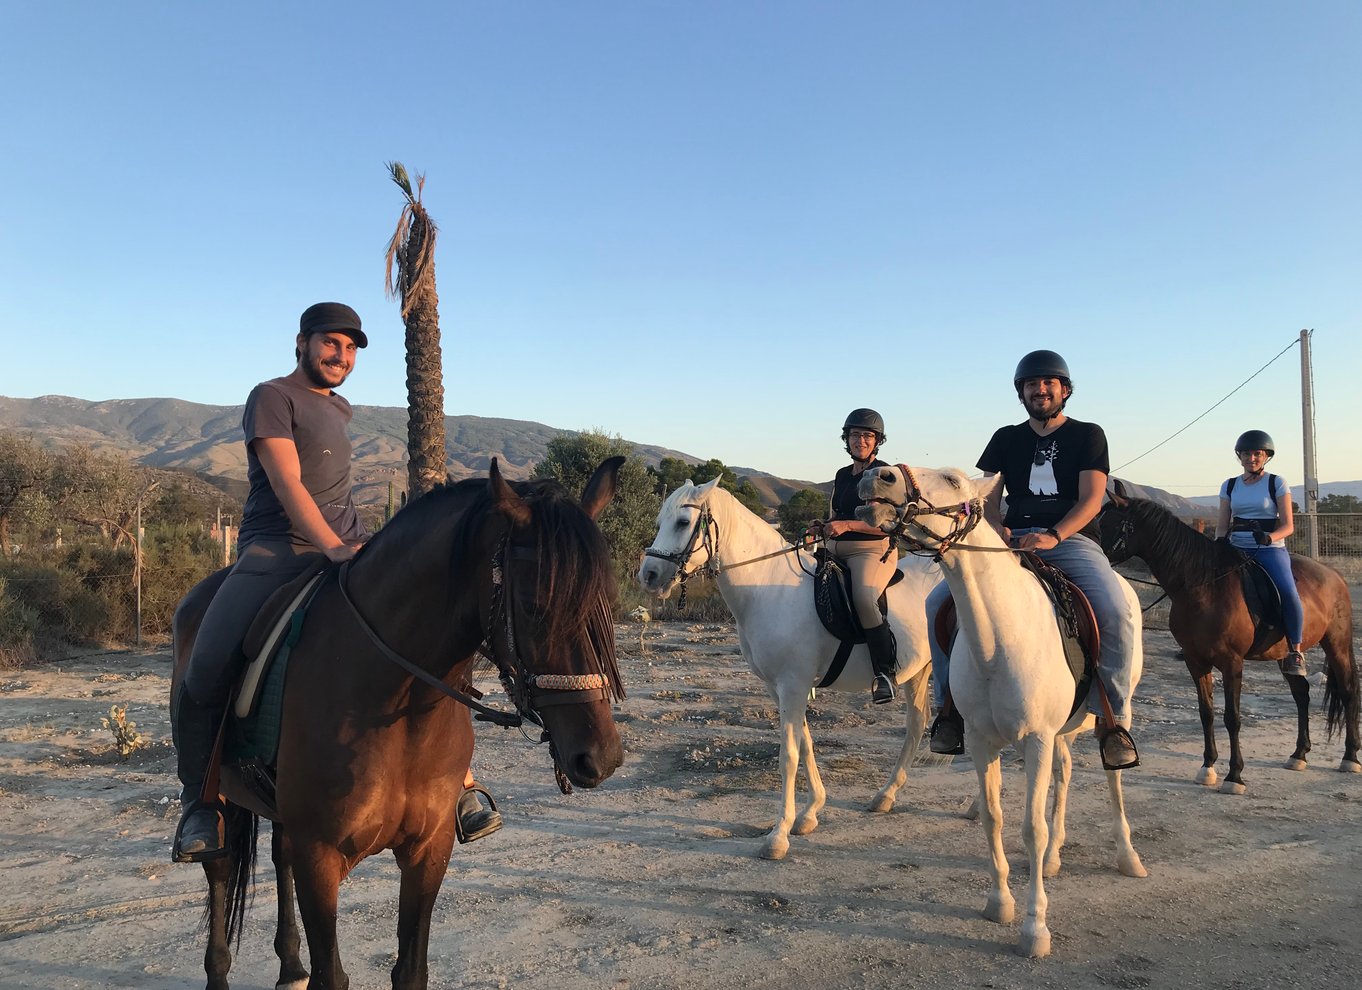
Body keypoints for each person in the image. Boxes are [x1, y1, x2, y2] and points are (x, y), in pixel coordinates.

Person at [172, 302, 500, 862]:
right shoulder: (271, 397)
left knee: (431, 638)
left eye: (350, 349)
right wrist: (330, 547)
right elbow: (287, 481)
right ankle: (202, 804)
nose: (341, 356)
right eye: (331, 343)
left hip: (346, 545)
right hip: (275, 551)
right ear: (301, 342)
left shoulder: (340, 408)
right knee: (205, 666)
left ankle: (461, 785)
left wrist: (361, 549)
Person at [928, 350, 1139, 769]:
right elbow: (987, 496)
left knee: (1116, 611)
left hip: (1071, 540)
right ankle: (948, 708)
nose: (1039, 390)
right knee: (937, 604)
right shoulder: (1006, 438)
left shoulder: (1088, 435)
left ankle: (1112, 717)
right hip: (1009, 544)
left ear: (1064, 390)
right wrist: (997, 529)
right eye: (1031, 384)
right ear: (1021, 392)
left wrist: (1054, 534)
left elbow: (1092, 499)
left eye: (1048, 383)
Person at [809, 408, 899, 704]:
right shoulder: (841, 475)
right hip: (836, 548)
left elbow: (888, 524)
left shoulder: (885, 473)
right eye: (855, 435)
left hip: (871, 549)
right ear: (846, 439)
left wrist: (846, 525)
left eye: (867, 436)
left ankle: (885, 674)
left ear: (877, 442)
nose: (860, 440)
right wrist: (822, 526)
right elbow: (836, 514)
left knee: (863, 598)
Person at [1215, 430, 1306, 677]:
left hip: (1268, 549)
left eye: (1257, 453)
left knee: (1287, 592)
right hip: (1236, 547)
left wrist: (1270, 537)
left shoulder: (1277, 482)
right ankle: (1201, 638)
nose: (1251, 458)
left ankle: (1295, 651)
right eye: (1246, 453)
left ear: (1266, 457)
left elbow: (1288, 525)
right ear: (1240, 456)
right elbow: (1223, 523)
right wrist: (1219, 542)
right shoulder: (1230, 485)